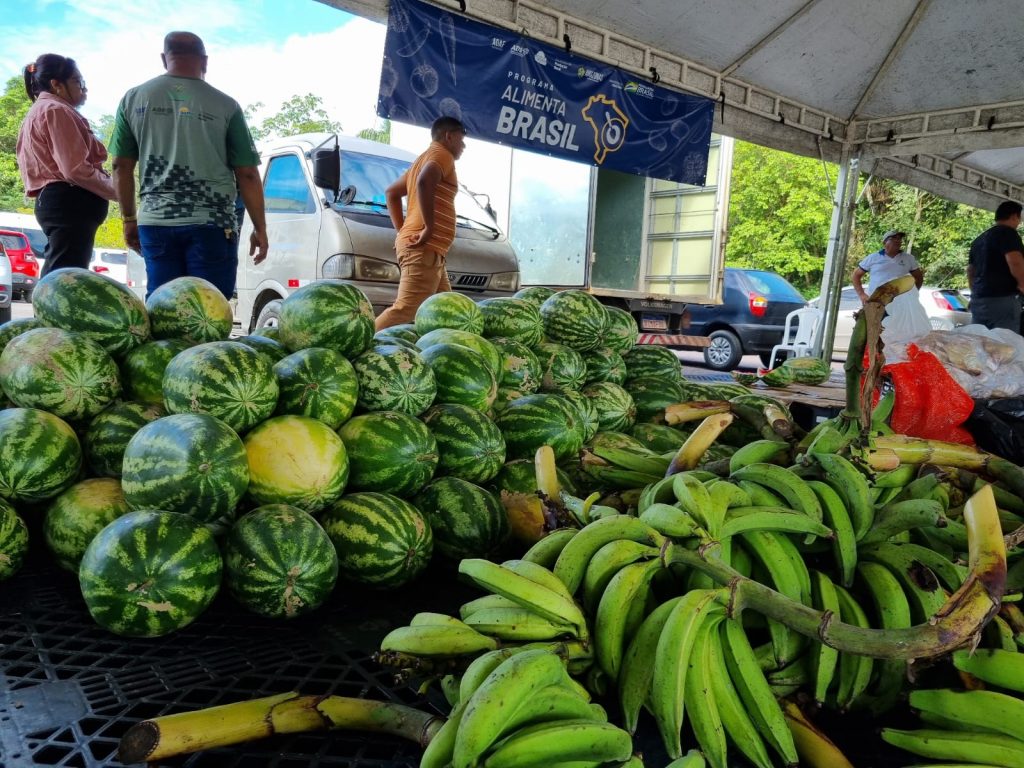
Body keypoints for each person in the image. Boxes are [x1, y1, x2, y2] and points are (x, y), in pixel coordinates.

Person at [108, 31, 268, 298]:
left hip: (156, 221)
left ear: (164, 58)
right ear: (205, 61)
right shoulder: (226, 105)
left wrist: (129, 219)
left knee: (163, 304)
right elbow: (248, 173)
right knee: (209, 306)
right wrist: (260, 228)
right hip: (212, 223)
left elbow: (120, 167)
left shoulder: (133, 99)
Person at [16, 54, 117, 276]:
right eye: (77, 81)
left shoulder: (44, 110)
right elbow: (75, 169)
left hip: (62, 203)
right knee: (64, 279)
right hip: (69, 202)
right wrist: (118, 190)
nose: (84, 88)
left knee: (62, 273)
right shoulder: (56, 110)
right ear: (57, 85)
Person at [375, 116, 466, 330]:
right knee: (406, 309)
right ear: (449, 136)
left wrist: (402, 232)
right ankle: (360, 342)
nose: (464, 146)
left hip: (430, 250)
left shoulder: (423, 159)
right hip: (425, 247)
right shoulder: (442, 154)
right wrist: (428, 228)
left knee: (447, 310)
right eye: (461, 139)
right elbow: (424, 182)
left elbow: (391, 193)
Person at [852, 230, 929, 343]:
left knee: (900, 334)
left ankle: (896, 352)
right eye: (893, 238)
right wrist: (862, 295)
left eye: (899, 239)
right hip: (877, 303)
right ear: (885, 242)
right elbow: (856, 275)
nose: (898, 241)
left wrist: (912, 294)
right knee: (874, 332)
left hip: (901, 306)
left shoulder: (908, 258)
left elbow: (918, 277)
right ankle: (873, 352)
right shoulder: (873, 258)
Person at [967, 200, 1024, 332]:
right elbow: (1015, 260)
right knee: (1004, 341)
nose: (1019, 222)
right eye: (1019, 218)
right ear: (1014, 216)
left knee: (981, 339)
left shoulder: (979, 240)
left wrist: (974, 293)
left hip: (979, 300)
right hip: (1002, 298)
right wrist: (1022, 284)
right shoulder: (1008, 233)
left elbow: (970, 271)